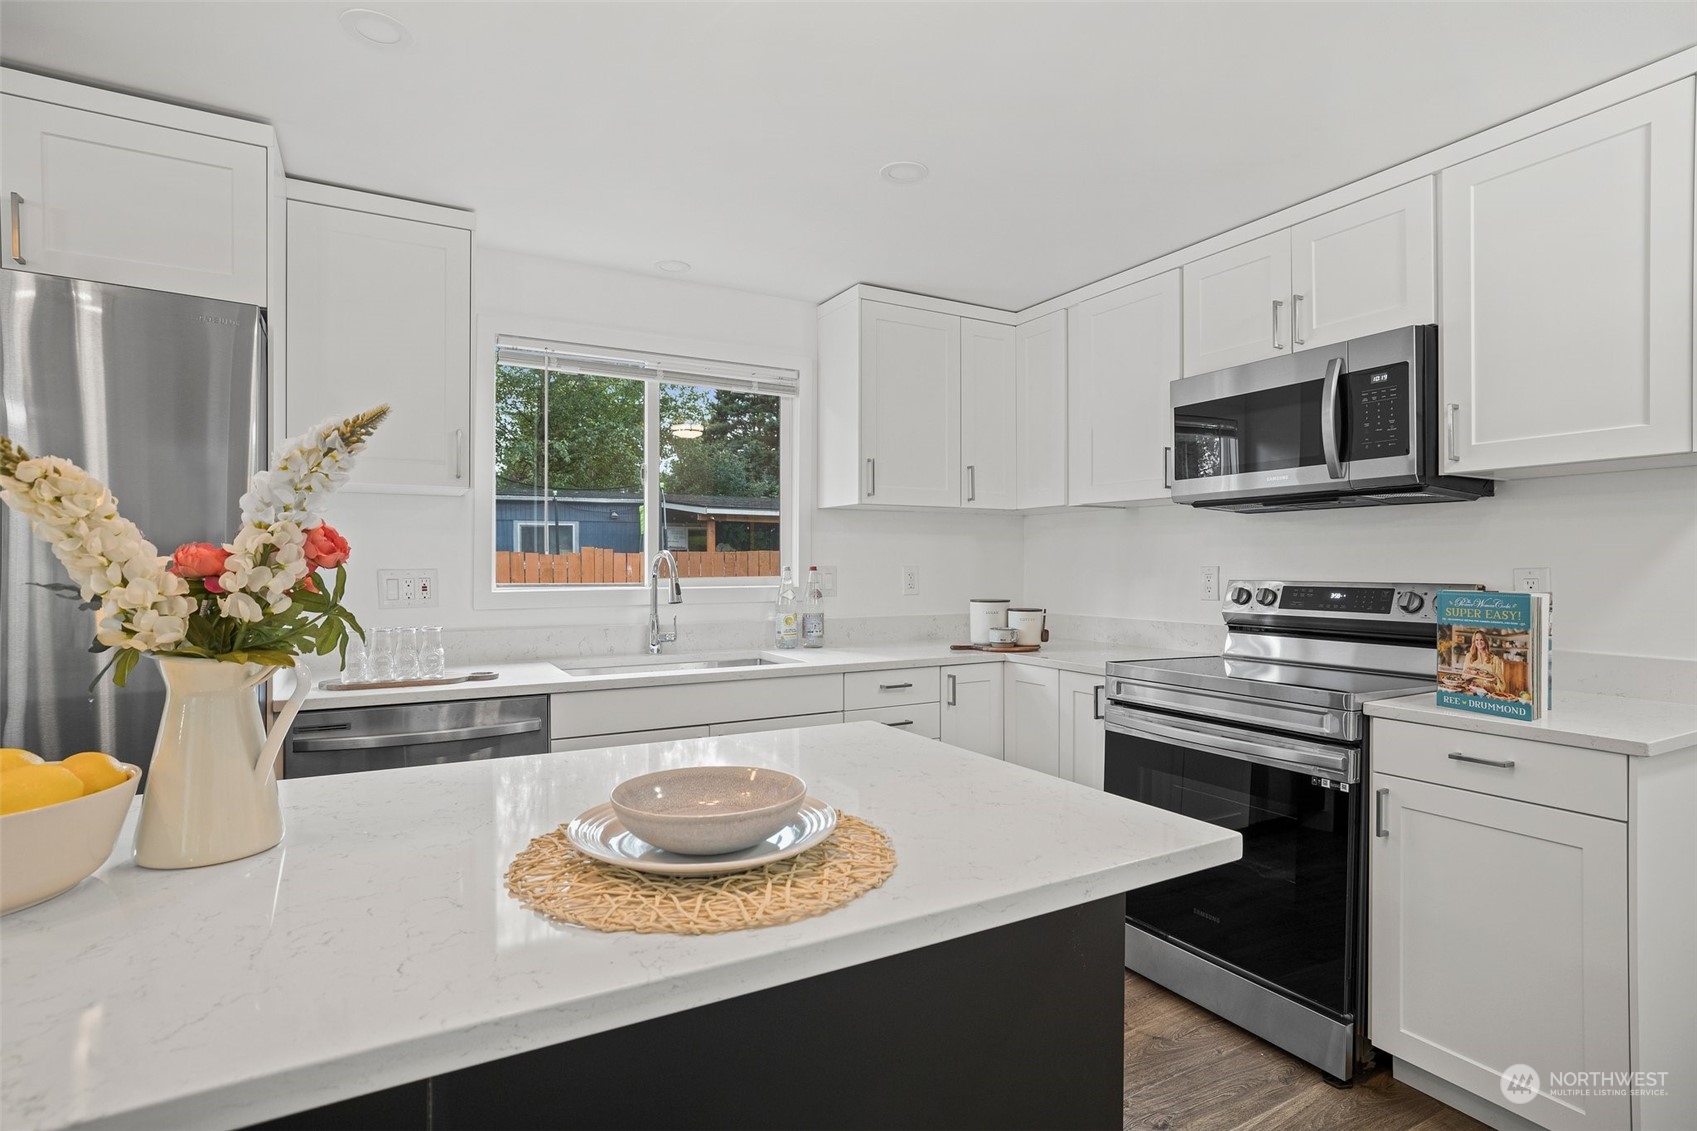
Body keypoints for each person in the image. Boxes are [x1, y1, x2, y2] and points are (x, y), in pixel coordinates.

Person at [1457, 629, 1506, 694]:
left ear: (1485, 641)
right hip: (1472, 690)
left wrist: (1494, 680)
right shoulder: (1469, 656)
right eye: (1476, 640)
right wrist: (1470, 676)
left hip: (1489, 691)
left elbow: (1501, 683)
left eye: (1481, 639)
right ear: (1474, 642)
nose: (1479, 642)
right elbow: (1464, 676)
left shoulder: (1495, 659)